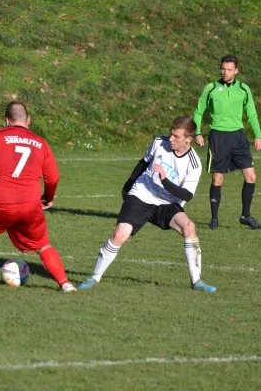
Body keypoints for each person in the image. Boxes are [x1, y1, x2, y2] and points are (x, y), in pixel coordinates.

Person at [78, 116, 217, 292]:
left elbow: (186, 195)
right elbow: (143, 163)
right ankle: (94, 278)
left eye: (176, 136)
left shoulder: (194, 163)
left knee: (189, 227)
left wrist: (165, 180)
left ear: (188, 139)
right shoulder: (160, 142)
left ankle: (197, 282)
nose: (171, 139)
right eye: (171, 134)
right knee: (121, 233)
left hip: (166, 203)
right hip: (142, 194)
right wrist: (128, 186)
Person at [0, 101, 77, 292]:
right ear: (28, 120)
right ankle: (65, 283)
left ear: (6, 121)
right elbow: (53, 176)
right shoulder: (41, 142)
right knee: (43, 246)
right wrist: (48, 197)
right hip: (31, 205)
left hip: (0, 204)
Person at [193, 55, 261, 230]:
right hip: (219, 137)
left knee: (251, 176)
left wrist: (258, 135)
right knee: (217, 178)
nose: (225, 72)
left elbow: (252, 114)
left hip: (238, 137)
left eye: (229, 69)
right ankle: (214, 219)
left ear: (236, 71)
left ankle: (245, 215)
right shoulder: (211, 88)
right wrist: (198, 132)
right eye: (223, 69)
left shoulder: (243, 89)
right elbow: (198, 112)